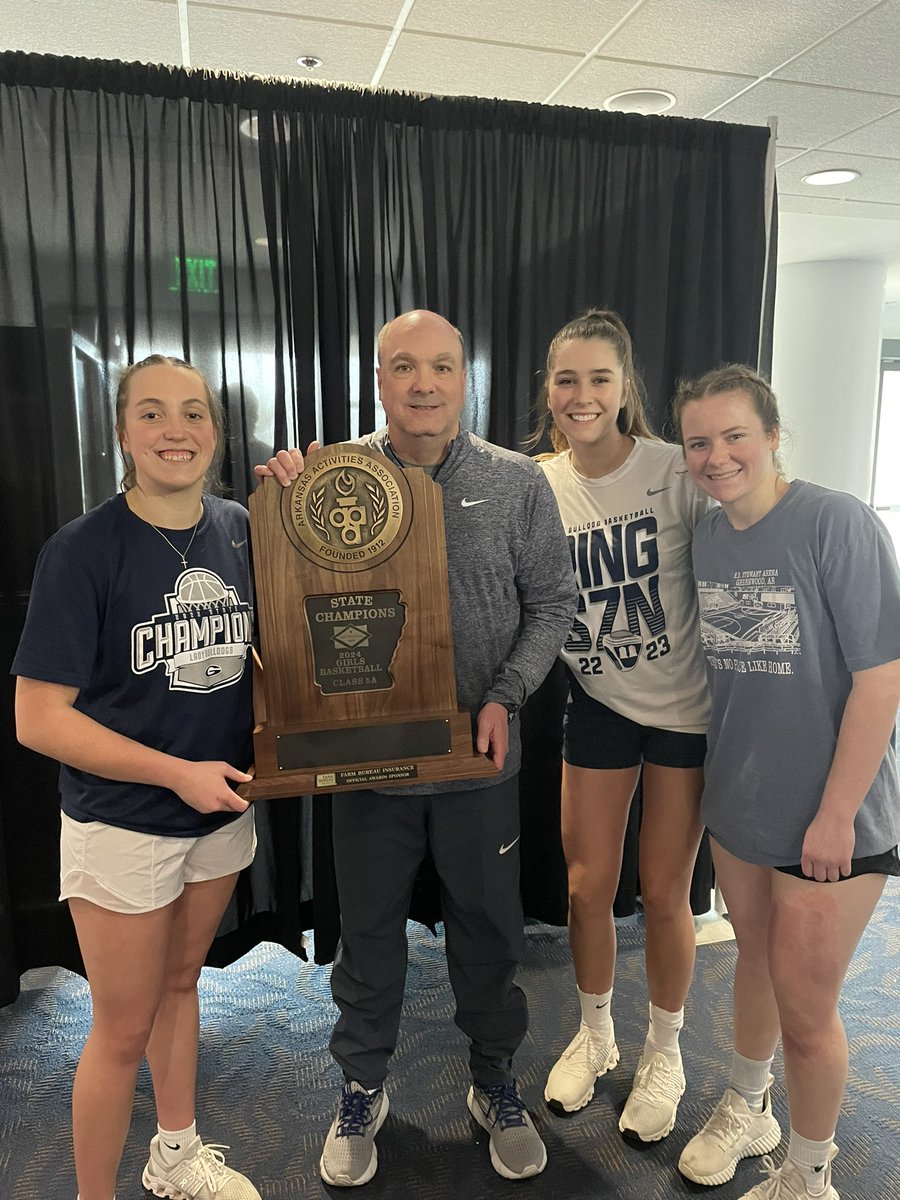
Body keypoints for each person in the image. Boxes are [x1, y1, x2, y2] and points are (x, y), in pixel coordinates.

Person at [259, 309, 576, 1187]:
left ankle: (494, 1082)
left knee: (490, 933)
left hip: (479, 761)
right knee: (366, 939)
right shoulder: (333, 480)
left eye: (441, 366)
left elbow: (553, 602)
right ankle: (363, 1087)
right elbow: (291, 590)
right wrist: (283, 497)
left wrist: (507, 695)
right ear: (380, 380)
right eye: (404, 366)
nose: (424, 383)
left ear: (465, 378)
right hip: (368, 763)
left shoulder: (516, 483)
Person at [13, 356, 261, 1200]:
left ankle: (176, 1154)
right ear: (122, 432)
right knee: (120, 1032)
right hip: (121, 822)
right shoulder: (82, 550)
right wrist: (174, 773)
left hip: (219, 809)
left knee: (183, 984)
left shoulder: (238, 528)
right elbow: (38, 718)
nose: (174, 431)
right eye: (151, 413)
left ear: (215, 432)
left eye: (193, 413)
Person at [672, 364, 900, 1199]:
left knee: (807, 1011)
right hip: (742, 806)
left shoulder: (835, 521)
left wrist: (837, 815)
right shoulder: (708, 537)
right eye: (699, 442)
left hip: (830, 819)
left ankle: (809, 1176)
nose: (717, 456)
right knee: (755, 965)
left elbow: (882, 678)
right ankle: (749, 1105)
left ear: (773, 435)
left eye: (735, 435)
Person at [531, 309, 712, 1142]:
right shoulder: (536, 482)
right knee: (584, 888)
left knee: (666, 892)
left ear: (625, 385)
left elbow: (749, 534)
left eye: (599, 378)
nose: (583, 394)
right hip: (600, 703)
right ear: (549, 390)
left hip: (683, 714)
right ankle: (597, 1034)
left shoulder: (673, 470)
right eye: (567, 379)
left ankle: (665, 1051)